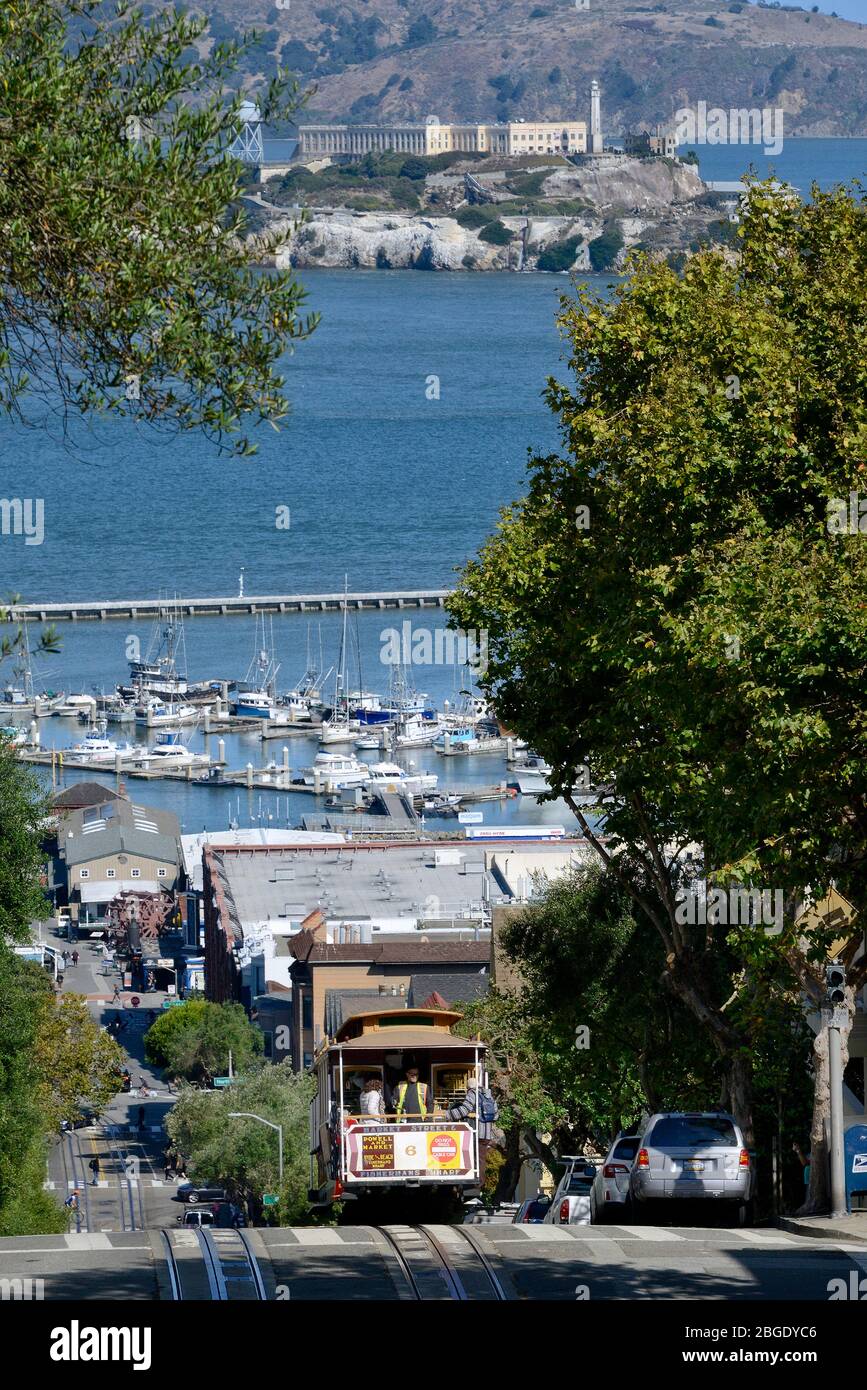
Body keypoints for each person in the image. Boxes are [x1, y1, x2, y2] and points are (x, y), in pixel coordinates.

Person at [445, 1079, 499, 1182]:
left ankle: (473, 1180)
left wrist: (447, 1115)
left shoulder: (472, 1093)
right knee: (481, 1159)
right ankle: (480, 1181)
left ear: (469, 1087)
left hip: (475, 1132)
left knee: (470, 1156)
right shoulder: (489, 1095)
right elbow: (495, 1116)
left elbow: (464, 1110)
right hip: (486, 1134)